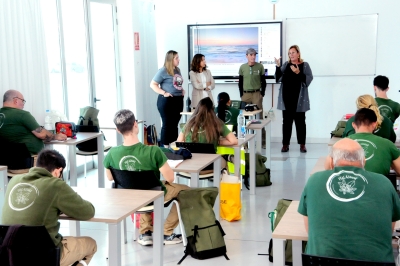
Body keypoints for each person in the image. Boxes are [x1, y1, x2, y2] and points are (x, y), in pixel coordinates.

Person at [298, 137, 400, 263]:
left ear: (330, 161)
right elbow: (388, 229)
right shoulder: (384, 183)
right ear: (363, 161)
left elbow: (310, 230)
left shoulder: (314, 181)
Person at [104, 109, 188, 246]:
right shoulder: (153, 151)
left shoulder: (112, 153)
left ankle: (145, 233)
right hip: (152, 197)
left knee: (140, 186)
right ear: (136, 125)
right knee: (185, 191)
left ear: (117, 130)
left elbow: (109, 178)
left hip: (127, 198)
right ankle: (166, 232)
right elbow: (170, 178)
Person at [2, 149, 97, 266]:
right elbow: (88, 212)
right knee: (91, 245)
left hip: (12, 252)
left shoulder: (14, 181)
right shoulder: (56, 185)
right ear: (58, 171)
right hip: (43, 254)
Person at [0, 90, 67, 154]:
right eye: (23, 101)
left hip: (6, 159)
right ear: (15, 101)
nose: (23, 104)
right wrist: (55, 136)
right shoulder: (21, 114)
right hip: (28, 159)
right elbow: (41, 134)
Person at [275, 45, 313, 153]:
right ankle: (285, 144)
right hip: (286, 99)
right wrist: (278, 66)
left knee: (300, 123)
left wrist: (298, 73)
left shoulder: (305, 65)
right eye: (289, 53)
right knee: (286, 123)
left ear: (298, 53)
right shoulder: (286, 65)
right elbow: (278, 78)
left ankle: (302, 145)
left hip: (299, 100)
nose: (291, 55)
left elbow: (308, 79)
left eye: (293, 52)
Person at [343, 108, 400, 176]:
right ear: (374, 124)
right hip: (378, 185)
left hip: (349, 185)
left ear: (353, 125)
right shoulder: (388, 144)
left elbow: (329, 169)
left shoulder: (340, 144)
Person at [150, 50, 185, 148]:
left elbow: (176, 84)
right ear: (171, 59)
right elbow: (153, 84)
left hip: (178, 100)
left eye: (178, 57)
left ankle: (173, 145)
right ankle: (165, 147)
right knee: (167, 124)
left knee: (174, 124)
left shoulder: (177, 70)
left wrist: (182, 90)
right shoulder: (163, 71)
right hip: (167, 100)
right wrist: (164, 93)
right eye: (176, 58)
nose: (179, 60)